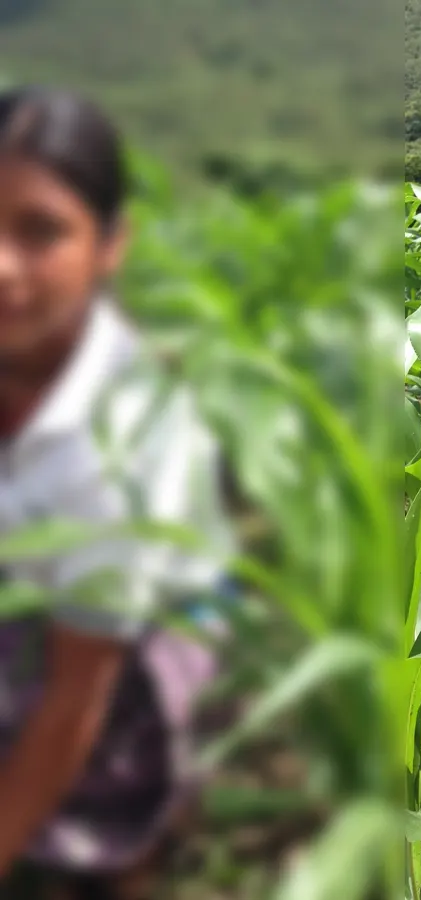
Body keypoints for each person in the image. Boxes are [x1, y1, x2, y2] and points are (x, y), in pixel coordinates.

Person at [0, 87, 232, 900]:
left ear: (109, 245)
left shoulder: (128, 431)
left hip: (116, 688)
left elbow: (77, 699)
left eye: (41, 230)